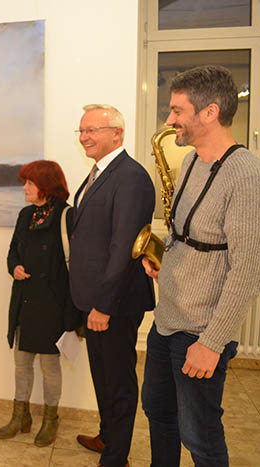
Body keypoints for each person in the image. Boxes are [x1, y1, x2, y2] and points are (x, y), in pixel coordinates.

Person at [141, 65, 260, 467]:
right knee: (158, 411)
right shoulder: (191, 161)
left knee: (200, 436)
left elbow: (246, 271)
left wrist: (211, 344)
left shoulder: (245, 173)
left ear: (209, 112)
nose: (169, 119)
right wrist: (161, 257)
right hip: (166, 319)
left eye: (177, 110)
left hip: (200, 330)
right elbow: (186, 232)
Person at [69, 104, 155, 467]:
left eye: (93, 130)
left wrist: (104, 305)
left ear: (116, 134)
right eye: (82, 130)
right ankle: (108, 437)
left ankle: (116, 457)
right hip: (94, 299)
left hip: (115, 304)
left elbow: (123, 247)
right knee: (101, 376)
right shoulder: (99, 173)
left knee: (118, 382)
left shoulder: (130, 177)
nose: (85, 136)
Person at [0, 160, 81, 446]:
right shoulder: (25, 216)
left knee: (49, 366)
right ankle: (20, 416)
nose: (24, 188)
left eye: (29, 183)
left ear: (45, 186)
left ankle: (50, 420)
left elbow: (78, 264)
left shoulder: (66, 216)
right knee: (21, 363)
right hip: (24, 300)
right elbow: (12, 252)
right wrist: (15, 267)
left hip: (53, 305)